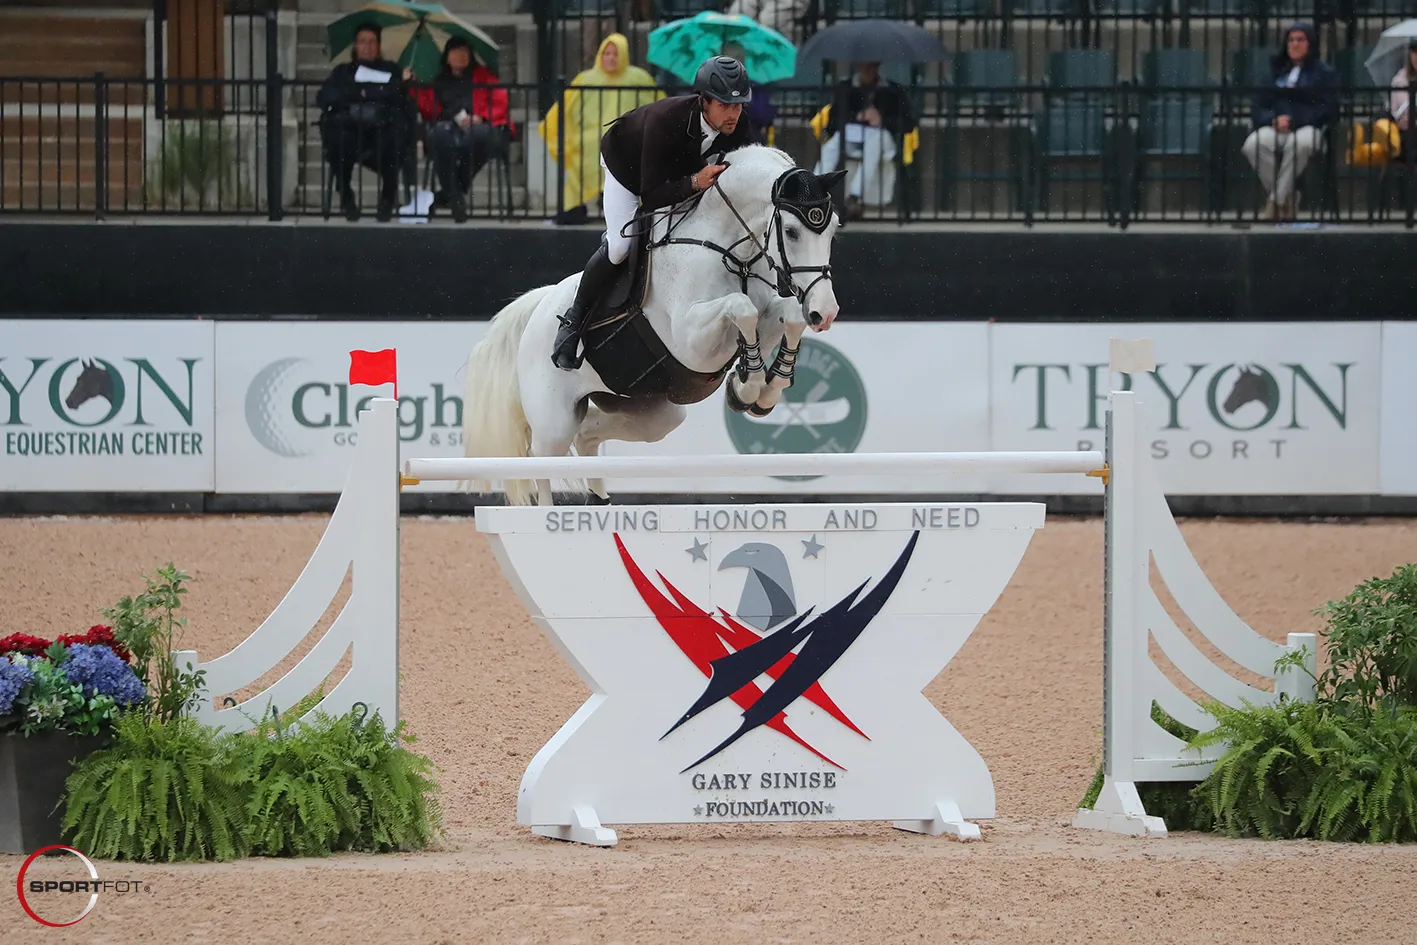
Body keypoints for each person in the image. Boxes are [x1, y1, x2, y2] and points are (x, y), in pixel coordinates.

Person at [549, 56, 755, 371]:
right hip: (629, 170)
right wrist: (695, 182)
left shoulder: (738, 126)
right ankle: (573, 322)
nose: (733, 114)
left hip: (679, 171)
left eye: (738, 106)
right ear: (704, 101)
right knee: (620, 246)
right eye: (725, 105)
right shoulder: (666, 119)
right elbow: (651, 197)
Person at [538, 34, 662, 227]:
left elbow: (656, 106)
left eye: (616, 54)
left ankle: (615, 204)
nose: (611, 58)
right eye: (607, 53)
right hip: (590, 138)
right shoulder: (586, 79)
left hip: (626, 137)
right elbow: (564, 108)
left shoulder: (638, 78)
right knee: (584, 152)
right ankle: (574, 209)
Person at [1240, 23, 1338, 221]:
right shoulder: (1275, 71)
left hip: (1310, 128)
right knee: (1252, 145)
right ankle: (1288, 197)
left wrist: (1297, 121)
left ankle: (1275, 201)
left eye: (1300, 39)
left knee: (1299, 143)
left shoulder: (1324, 73)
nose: (1294, 44)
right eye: (1291, 40)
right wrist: (1273, 120)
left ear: (1310, 44)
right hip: (1277, 127)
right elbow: (1258, 106)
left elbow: (1328, 108)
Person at [316, 21, 413, 222]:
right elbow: (325, 96)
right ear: (356, 46)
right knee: (338, 137)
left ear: (378, 45)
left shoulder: (392, 70)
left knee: (395, 137)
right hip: (351, 129)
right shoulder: (343, 71)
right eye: (362, 42)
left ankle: (388, 199)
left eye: (371, 42)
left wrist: (398, 85)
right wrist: (364, 93)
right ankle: (346, 196)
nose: (367, 46)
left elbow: (398, 98)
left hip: (383, 130)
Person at [410, 36, 513, 223]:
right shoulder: (440, 81)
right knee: (438, 135)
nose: (460, 56)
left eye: (464, 52)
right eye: (455, 52)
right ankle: (455, 197)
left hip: (481, 128)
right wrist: (412, 85)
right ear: (447, 57)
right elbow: (428, 107)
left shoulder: (483, 75)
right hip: (450, 128)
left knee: (479, 134)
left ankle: (449, 194)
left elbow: (500, 100)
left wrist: (480, 117)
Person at [811, 61, 918, 220]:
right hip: (852, 135)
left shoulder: (893, 90)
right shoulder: (846, 87)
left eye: (871, 66)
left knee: (874, 141)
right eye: (864, 66)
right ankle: (813, 188)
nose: (867, 70)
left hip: (884, 138)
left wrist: (882, 120)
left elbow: (908, 123)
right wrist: (855, 117)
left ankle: (855, 196)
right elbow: (832, 124)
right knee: (833, 144)